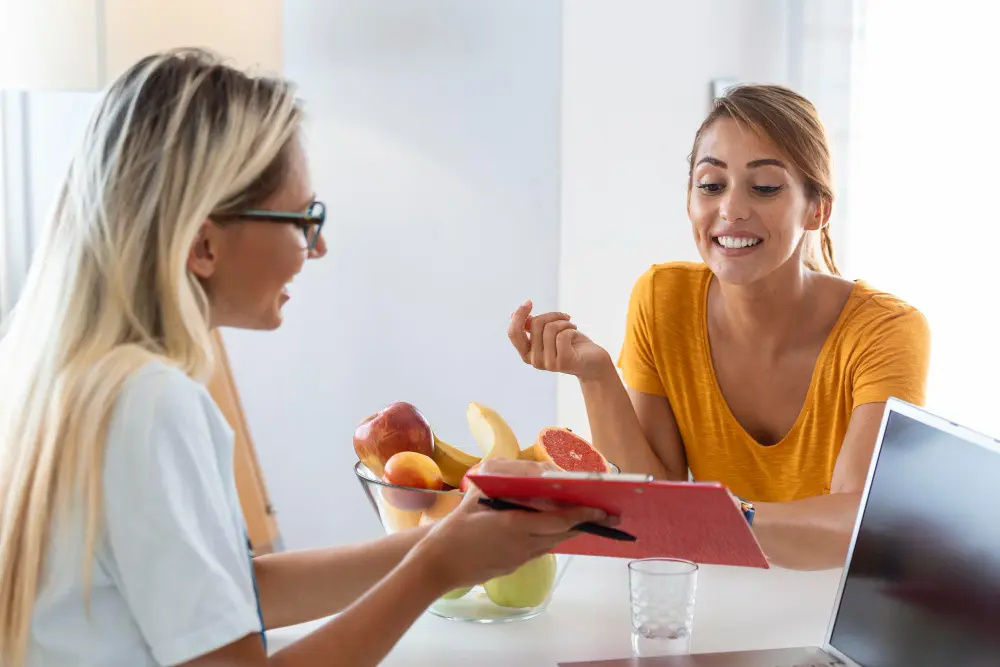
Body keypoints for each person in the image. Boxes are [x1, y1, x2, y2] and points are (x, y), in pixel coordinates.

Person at [0, 49, 608, 667]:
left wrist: (448, 544)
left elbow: (238, 591)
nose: (317, 248)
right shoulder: (150, 403)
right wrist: (434, 568)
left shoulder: (57, 374)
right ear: (204, 243)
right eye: (302, 219)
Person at [508, 84, 930, 571]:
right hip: (716, 592)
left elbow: (857, 522)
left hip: (836, 608)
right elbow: (655, 498)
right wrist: (597, 375)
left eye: (765, 187)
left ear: (818, 210)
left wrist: (722, 517)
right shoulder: (662, 298)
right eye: (711, 185)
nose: (731, 209)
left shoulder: (886, 331)